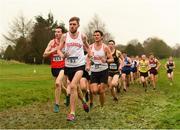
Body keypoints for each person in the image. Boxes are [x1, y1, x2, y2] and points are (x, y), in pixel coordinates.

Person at [57, 16, 91, 121]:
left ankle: (72, 113)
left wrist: (89, 59)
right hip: (68, 66)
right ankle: (84, 102)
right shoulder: (64, 36)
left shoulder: (83, 36)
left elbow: (88, 48)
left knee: (72, 86)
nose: (72, 26)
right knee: (75, 87)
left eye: (74, 24)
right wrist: (62, 55)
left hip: (80, 65)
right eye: (70, 24)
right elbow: (58, 49)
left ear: (78, 25)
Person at [43, 26, 67, 113]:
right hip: (54, 67)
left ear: (62, 33)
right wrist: (53, 51)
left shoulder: (66, 42)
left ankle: (56, 104)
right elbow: (44, 54)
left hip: (64, 67)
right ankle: (68, 95)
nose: (57, 33)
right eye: (55, 32)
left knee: (57, 83)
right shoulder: (51, 42)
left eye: (59, 32)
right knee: (60, 86)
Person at [88, 30, 114, 108]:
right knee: (94, 91)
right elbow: (88, 58)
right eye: (94, 35)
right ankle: (100, 88)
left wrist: (106, 60)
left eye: (98, 35)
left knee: (101, 91)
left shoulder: (105, 47)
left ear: (101, 37)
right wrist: (88, 65)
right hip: (94, 71)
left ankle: (102, 106)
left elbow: (111, 59)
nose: (96, 36)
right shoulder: (90, 47)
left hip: (103, 70)